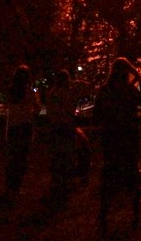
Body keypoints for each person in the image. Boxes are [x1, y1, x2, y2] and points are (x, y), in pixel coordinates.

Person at [93, 57, 141, 233]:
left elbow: (96, 115)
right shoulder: (129, 91)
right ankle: (135, 215)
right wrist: (140, 80)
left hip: (110, 138)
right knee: (132, 174)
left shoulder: (104, 91)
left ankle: (103, 215)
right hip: (129, 137)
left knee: (109, 175)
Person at [45, 68, 93, 208]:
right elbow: (88, 87)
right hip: (67, 126)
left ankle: (59, 180)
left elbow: (50, 114)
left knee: (59, 154)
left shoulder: (52, 94)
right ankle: (69, 179)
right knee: (70, 152)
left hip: (56, 127)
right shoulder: (71, 91)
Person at [0, 64, 41, 209]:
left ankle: (10, 187)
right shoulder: (29, 92)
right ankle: (16, 186)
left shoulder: (11, 91)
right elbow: (37, 108)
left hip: (13, 127)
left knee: (12, 157)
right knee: (22, 157)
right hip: (25, 126)